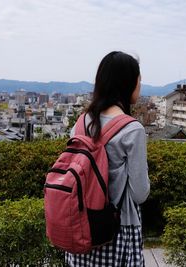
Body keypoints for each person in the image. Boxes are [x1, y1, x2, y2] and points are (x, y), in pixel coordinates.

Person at [65, 51, 150, 267]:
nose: (140, 86)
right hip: (117, 230)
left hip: (82, 227)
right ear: (127, 83)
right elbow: (140, 193)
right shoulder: (132, 129)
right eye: (139, 80)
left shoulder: (82, 123)